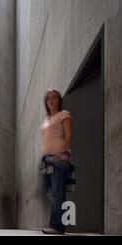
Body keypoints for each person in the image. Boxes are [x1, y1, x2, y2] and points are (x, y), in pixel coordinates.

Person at [40, 89, 72, 235]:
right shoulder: (46, 119)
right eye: (48, 98)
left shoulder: (64, 114)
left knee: (57, 193)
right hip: (46, 159)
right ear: (45, 102)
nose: (51, 100)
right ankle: (58, 223)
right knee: (44, 191)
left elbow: (68, 135)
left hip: (58, 158)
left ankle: (57, 226)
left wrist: (61, 155)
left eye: (54, 97)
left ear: (59, 100)